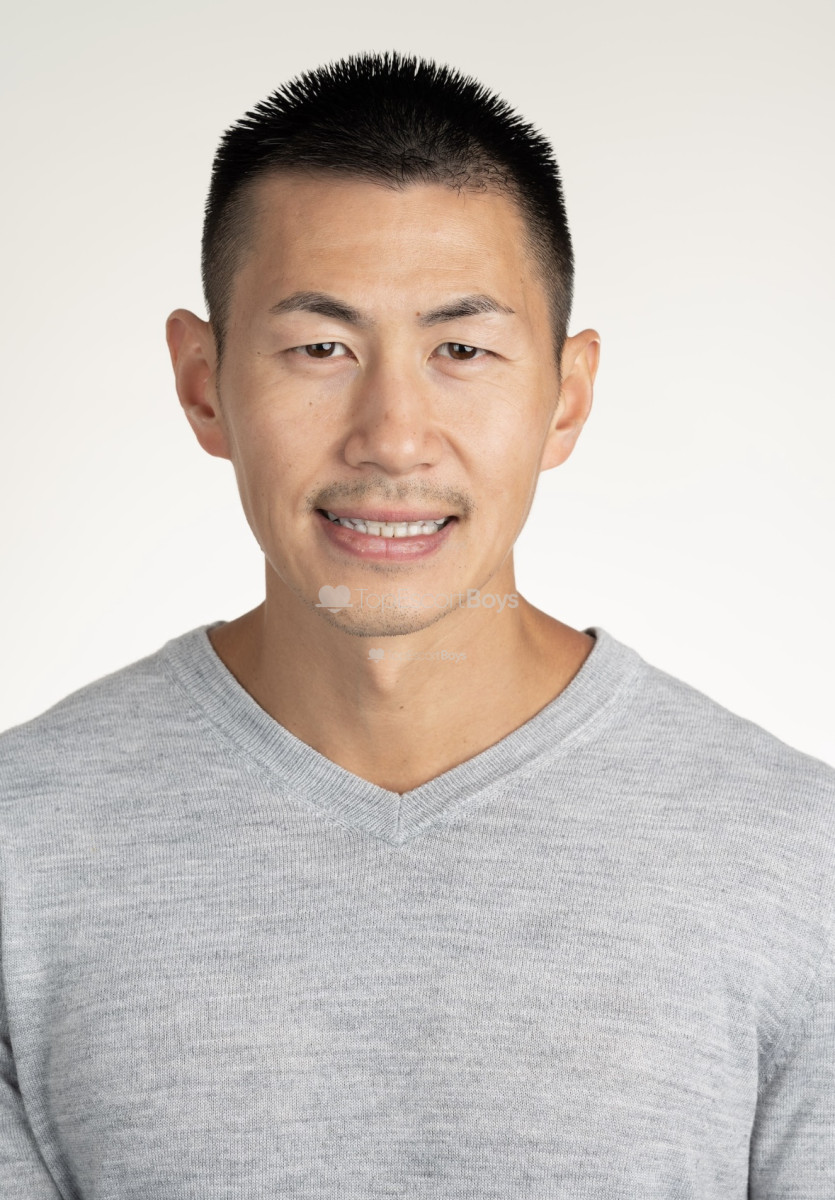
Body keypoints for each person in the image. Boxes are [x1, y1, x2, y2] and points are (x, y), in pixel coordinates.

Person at [1, 50, 833, 1200]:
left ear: (565, 397)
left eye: (461, 350)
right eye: (320, 348)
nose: (392, 436)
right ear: (203, 383)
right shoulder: (22, 856)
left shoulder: (800, 861)